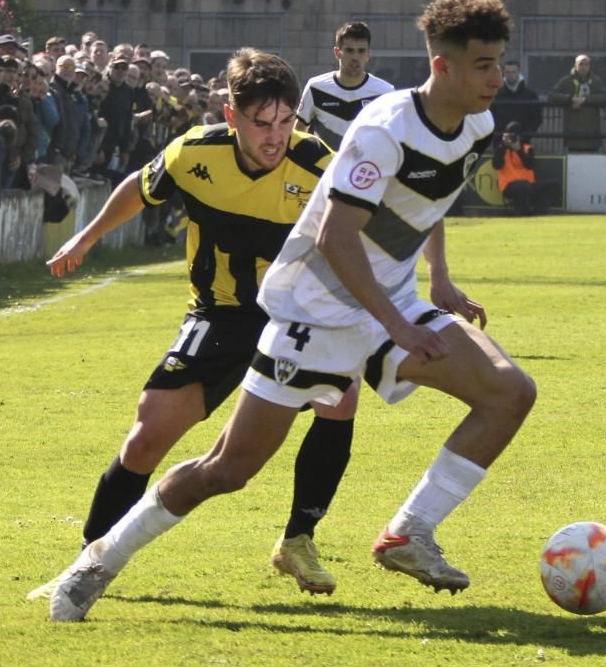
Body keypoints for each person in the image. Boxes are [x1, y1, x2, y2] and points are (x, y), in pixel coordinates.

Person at [44, 0, 535, 623]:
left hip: (388, 305)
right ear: (441, 66)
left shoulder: (478, 125)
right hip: (315, 313)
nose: (497, 79)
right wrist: (398, 327)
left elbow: (426, 204)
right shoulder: (385, 129)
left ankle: (408, 531)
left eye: (499, 63)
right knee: (228, 469)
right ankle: (98, 561)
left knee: (509, 392)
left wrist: (437, 281)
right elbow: (335, 236)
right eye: (483, 66)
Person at [27, 49, 361, 602]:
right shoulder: (194, 153)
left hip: (296, 316)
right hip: (219, 312)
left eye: (285, 122)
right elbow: (141, 185)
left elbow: (368, 230)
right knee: (148, 434)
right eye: (261, 123)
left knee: (339, 399)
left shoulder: (319, 168)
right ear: (232, 117)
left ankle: (299, 538)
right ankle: (87, 563)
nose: (275, 136)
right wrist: (85, 237)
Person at [295, 21, 395, 152]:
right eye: (349, 50)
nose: (355, 57)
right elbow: (299, 132)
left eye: (361, 51)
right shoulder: (315, 87)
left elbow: (393, 139)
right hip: (324, 171)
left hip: (367, 170)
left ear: (368, 54)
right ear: (337, 52)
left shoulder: (385, 92)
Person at [550, 54, 606, 152]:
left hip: (591, 134)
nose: (584, 67)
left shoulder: (596, 81)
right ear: (575, 65)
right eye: (581, 64)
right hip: (573, 134)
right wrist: (570, 98)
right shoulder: (567, 81)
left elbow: (605, 97)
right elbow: (552, 96)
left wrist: (585, 100)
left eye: (586, 64)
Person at [493, 121, 540, 214]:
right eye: (509, 136)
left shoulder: (527, 148)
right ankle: (524, 212)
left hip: (529, 184)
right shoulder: (502, 149)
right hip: (508, 185)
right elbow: (496, 165)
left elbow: (530, 165)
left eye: (514, 136)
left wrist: (519, 150)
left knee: (553, 186)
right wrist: (503, 146)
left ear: (520, 137)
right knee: (522, 186)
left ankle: (540, 212)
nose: (512, 139)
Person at [490, 60, 542, 138]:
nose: (510, 75)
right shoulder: (496, 94)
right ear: (503, 73)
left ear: (518, 72)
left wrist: (526, 135)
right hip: (500, 138)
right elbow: (490, 115)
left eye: (513, 72)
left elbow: (536, 117)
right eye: (507, 72)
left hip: (523, 139)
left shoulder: (530, 94)